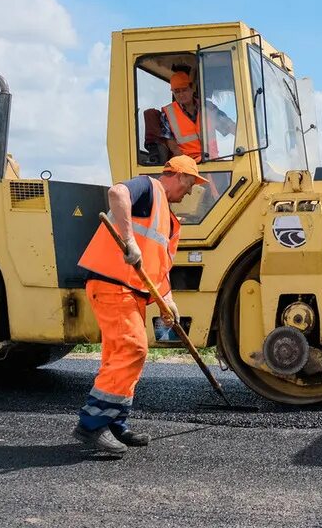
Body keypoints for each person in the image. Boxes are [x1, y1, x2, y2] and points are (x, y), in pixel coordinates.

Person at [72, 155, 208, 457]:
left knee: (120, 355)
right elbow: (117, 193)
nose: (188, 192)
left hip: (131, 291)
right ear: (176, 175)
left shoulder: (170, 223)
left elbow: (159, 270)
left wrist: (167, 301)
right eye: (189, 184)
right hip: (112, 283)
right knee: (133, 348)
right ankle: (93, 423)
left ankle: (116, 421)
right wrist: (129, 240)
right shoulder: (149, 188)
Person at [160, 66, 236, 162]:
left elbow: (230, 126)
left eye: (184, 90)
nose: (181, 95)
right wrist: (187, 164)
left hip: (212, 161)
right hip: (187, 165)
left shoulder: (207, 107)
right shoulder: (168, 113)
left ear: (192, 88)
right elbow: (172, 145)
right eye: (177, 92)